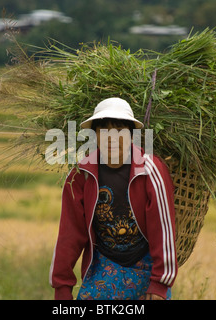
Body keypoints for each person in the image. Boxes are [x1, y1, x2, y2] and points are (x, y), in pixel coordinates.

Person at [49, 97, 177, 300]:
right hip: (104, 264)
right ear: (95, 136)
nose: (112, 137)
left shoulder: (150, 170)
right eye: (104, 130)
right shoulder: (81, 175)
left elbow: (163, 229)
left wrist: (160, 284)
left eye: (119, 130)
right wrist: (62, 288)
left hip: (146, 265)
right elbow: (69, 234)